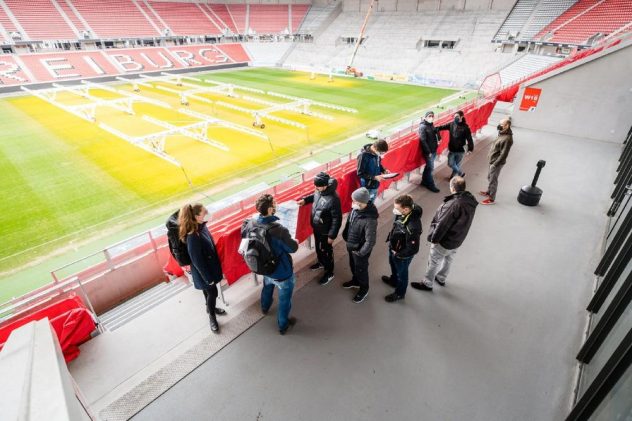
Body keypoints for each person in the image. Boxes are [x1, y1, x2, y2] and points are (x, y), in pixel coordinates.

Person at [411, 176, 477, 292]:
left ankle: (427, 283)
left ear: (452, 188)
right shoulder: (470, 200)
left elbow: (443, 224)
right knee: (449, 259)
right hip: (458, 238)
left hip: (445, 240)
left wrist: (434, 239)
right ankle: (441, 278)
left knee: (434, 261)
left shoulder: (453, 204)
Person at [246, 194, 299, 335]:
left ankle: (265, 308)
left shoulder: (252, 223)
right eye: (274, 205)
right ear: (270, 209)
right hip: (281, 271)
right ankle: (283, 325)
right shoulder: (279, 230)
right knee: (284, 300)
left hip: (264, 268)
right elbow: (292, 248)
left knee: (267, 287)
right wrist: (295, 242)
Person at [178, 203, 226, 333]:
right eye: (205, 212)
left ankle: (210, 309)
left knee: (208, 292)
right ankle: (212, 317)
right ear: (197, 216)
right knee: (213, 293)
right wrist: (208, 278)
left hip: (209, 268)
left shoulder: (202, 227)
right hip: (204, 272)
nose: (207, 213)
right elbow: (197, 261)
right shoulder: (193, 236)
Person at [297, 172, 342, 286]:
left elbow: (337, 219)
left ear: (325, 185)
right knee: (318, 248)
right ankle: (321, 262)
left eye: (318, 186)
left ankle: (329, 272)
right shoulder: (319, 190)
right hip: (317, 228)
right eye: (315, 186)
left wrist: (332, 236)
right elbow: (315, 196)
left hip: (326, 231)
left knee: (326, 251)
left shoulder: (334, 199)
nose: (316, 188)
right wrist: (305, 200)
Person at [382, 194, 423, 302]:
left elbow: (413, 249)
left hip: (402, 255)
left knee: (402, 274)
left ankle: (400, 293)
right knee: (393, 266)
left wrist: (398, 254)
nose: (394, 210)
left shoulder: (413, 226)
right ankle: (393, 281)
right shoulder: (404, 213)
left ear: (406, 209)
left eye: (397, 208)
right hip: (394, 247)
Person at [342, 187, 378, 303]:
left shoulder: (370, 220)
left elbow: (370, 241)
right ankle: (356, 281)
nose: (352, 203)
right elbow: (350, 222)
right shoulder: (356, 210)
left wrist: (360, 253)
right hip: (352, 245)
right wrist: (346, 235)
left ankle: (364, 289)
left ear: (361, 202)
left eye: (354, 201)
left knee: (361, 270)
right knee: (353, 265)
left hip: (360, 250)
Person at [480, 117, 513, 205]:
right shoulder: (502, 133)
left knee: (493, 180)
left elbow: (504, 154)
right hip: (493, 160)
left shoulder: (507, 139)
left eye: (501, 124)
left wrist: (495, 164)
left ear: (507, 126)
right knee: (489, 177)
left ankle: (491, 199)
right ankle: (489, 191)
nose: (499, 125)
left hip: (496, 163)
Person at [435, 110, 474, 180]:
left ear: (462, 117)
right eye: (454, 116)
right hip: (452, 149)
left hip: (461, 151)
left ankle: (452, 178)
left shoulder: (466, 128)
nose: (455, 118)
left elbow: (469, 139)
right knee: (450, 164)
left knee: (457, 165)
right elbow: (440, 127)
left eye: (457, 116)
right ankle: (461, 173)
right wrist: (436, 131)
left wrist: (470, 149)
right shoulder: (451, 124)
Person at [418, 110, 441, 193]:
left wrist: (438, 136)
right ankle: (431, 185)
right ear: (425, 117)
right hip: (429, 152)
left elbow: (435, 134)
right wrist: (428, 152)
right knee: (431, 168)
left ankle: (424, 181)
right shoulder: (423, 127)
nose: (431, 117)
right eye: (429, 116)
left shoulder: (431, 125)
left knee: (428, 167)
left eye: (432, 116)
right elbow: (423, 140)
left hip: (433, 150)